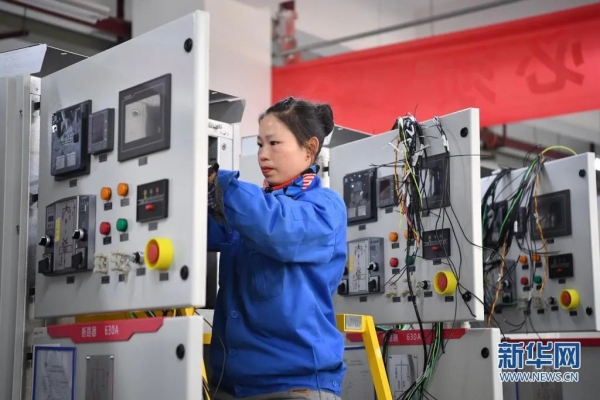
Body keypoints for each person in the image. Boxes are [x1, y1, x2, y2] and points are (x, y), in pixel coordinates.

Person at [206, 97, 347, 400]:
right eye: (259, 144)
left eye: (274, 143)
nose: (263, 154)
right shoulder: (248, 210)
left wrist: (219, 185)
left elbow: (279, 227)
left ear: (309, 149)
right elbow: (196, 232)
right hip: (230, 387)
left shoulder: (324, 207)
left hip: (295, 386)